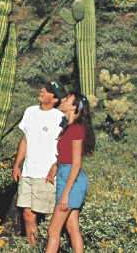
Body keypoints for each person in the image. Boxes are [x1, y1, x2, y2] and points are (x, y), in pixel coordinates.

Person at [12, 80, 67, 247]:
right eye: (44, 87)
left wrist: (55, 166)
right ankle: (32, 248)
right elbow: (25, 140)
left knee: (50, 216)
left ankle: (52, 248)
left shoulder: (61, 118)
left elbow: (67, 146)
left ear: (54, 99)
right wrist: (17, 164)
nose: (42, 90)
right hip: (28, 172)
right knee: (28, 215)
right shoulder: (30, 112)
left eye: (47, 90)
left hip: (46, 175)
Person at [45, 91, 95, 253]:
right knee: (72, 226)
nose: (63, 100)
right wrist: (55, 165)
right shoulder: (69, 128)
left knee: (53, 230)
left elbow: (76, 164)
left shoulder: (76, 129)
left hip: (71, 181)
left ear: (74, 107)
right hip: (66, 176)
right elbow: (66, 157)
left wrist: (66, 194)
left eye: (67, 99)